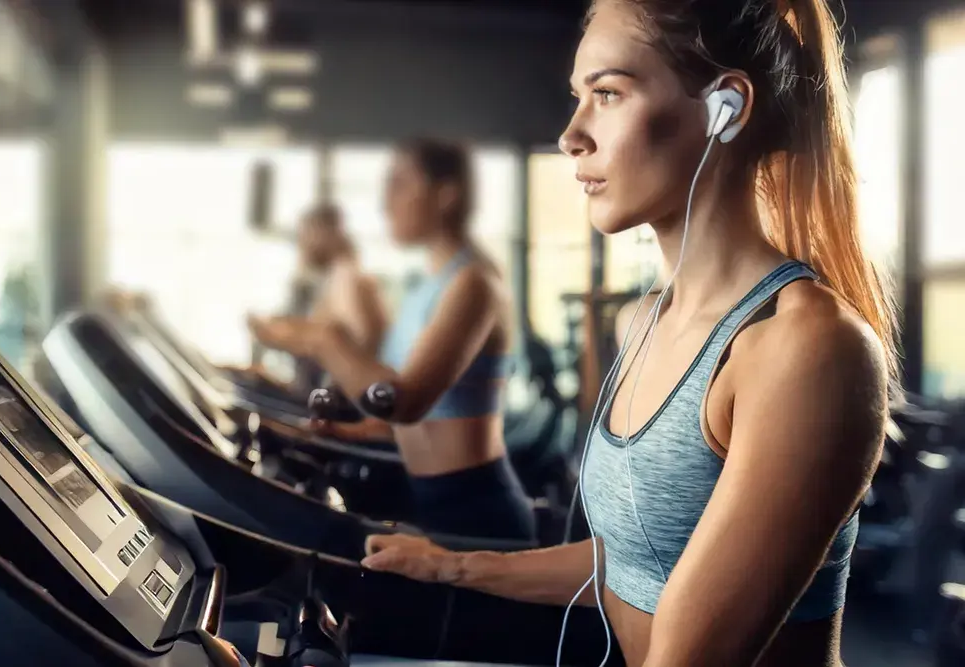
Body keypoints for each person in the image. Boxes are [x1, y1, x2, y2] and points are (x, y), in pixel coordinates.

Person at [357, 1, 897, 667]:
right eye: (578, 96)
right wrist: (452, 565)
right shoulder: (641, 321)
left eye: (608, 93)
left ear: (724, 107)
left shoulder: (804, 347)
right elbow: (635, 560)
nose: (570, 135)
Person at [249, 139, 537, 543]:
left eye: (399, 184)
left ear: (446, 195)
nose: (385, 202)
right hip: (431, 497)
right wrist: (348, 433)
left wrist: (319, 338)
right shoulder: (425, 288)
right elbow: (410, 420)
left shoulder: (475, 283)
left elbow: (405, 402)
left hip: (476, 508)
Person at [243, 203, 388, 393]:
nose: (301, 243)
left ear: (326, 233)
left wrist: (278, 334)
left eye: (305, 234)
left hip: (339, 405)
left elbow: (356, 348)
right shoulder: (334, 276)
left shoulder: (347, 276)